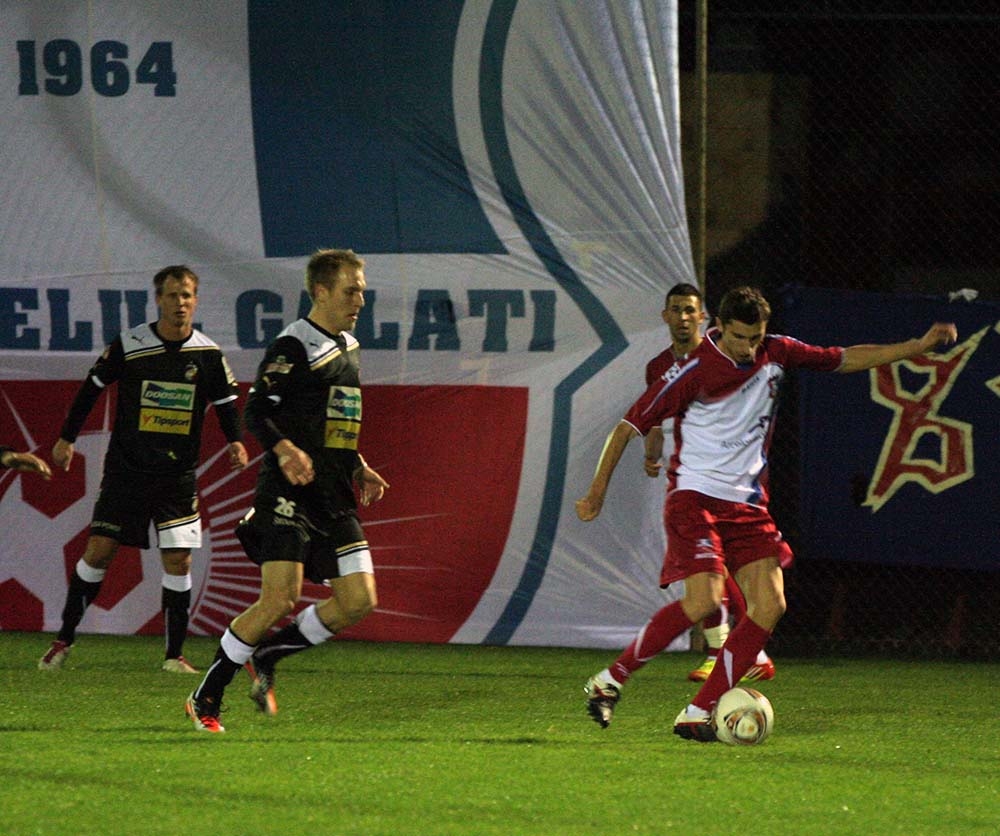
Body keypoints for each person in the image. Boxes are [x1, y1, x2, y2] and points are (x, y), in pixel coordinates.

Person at [577, 286, 956, 740]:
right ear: (719, 327)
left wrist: (916, 347)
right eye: (740, 338)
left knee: (772, 605)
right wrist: (597, 490)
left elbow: (845, 358)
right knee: (702, 600)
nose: (749, 348)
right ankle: (609, 682)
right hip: (694, 498)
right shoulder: (692, 369)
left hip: (748, 505)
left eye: (756, 337)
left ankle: (697, 712)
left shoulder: (777, 351)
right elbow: (626, 427)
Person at [185, 248, 389, 733]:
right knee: (279, 599)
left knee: (359, 600)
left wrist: (358, 464)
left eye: (362, 289)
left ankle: (271, 653)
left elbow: (332, 421)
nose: (360, 298)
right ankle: (206, 695)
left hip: (335, 493)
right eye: (351, 290)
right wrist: (283, 450)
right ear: (320, 291)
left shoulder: (349, 345)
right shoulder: (293, 344)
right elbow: (257, 412)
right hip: (288, 493)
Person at [38, 266, 248, 673]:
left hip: (177, 478)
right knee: (98, 552)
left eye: (187, 295)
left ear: (196, 300)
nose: (180, 302)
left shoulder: (207, 354)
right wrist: (67, 438)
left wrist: (236, 442)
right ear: (158, 300)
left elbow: (226, 407)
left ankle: (174, 656)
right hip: (127, 472)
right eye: (172, 295)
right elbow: (91, 389)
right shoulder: (131, 345)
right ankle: (63, 640)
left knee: (179, 562)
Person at [641, 284, 774, 685]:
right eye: (676, 309)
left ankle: (727, 651)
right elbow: (653, 416)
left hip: (727, 482)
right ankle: (741, 651)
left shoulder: (720, 357)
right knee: (705, 569)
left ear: (704, 319)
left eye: (690, 310)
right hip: (688, 475)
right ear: (665, 316)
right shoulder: (659, 366)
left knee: (710, 569)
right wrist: (651, 453)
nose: (683, 317)